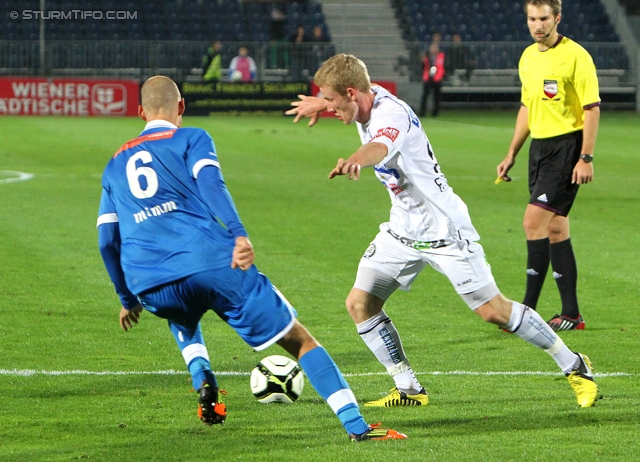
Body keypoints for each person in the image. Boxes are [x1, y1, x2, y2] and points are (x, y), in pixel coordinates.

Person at [96, 75, 406, 442]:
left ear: (139, 112)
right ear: (181, 107)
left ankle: (205, 385)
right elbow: (212, 184)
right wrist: (238, 233)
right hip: (214, 263)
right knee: (300, 341)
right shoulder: (191, 137)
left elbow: (106, 241)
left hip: (149, 282)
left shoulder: (113, 164)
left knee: (180, 308)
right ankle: (357, 426)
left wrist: (127, 298)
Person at [286, 53, 599, 409]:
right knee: (360, 303)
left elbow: (380, 145)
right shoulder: (362, 98)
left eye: (331, 99)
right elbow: (353, 95)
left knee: (494, 311)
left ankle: (575, 365)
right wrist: (320, 102)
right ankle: (408, 388)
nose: (330, 107)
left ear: (352, 93)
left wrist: (355, 159)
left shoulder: (392, 115)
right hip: (402, 229)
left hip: (443, 229)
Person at [496, 0, 600, 331]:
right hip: (539, 148)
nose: (537, 25)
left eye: (544, 18)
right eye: (532, 19)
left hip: (567, 146)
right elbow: (527, 107)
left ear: (557, 18)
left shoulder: (576, 56)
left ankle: (526, 312)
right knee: (555, 228)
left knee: (532, 222)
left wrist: (585, 157)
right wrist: (512, 151)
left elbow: (592, 109)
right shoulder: (528, 57)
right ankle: (571, 314)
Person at [419, 42, 445, 117]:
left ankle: (435, 112)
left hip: (437, 78)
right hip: (428, 78)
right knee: (425, 95)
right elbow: (423, 66)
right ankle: (422, 112)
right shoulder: (427, 56)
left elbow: (442, 66)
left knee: (436, 96)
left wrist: (440, 75)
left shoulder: (441, 56)